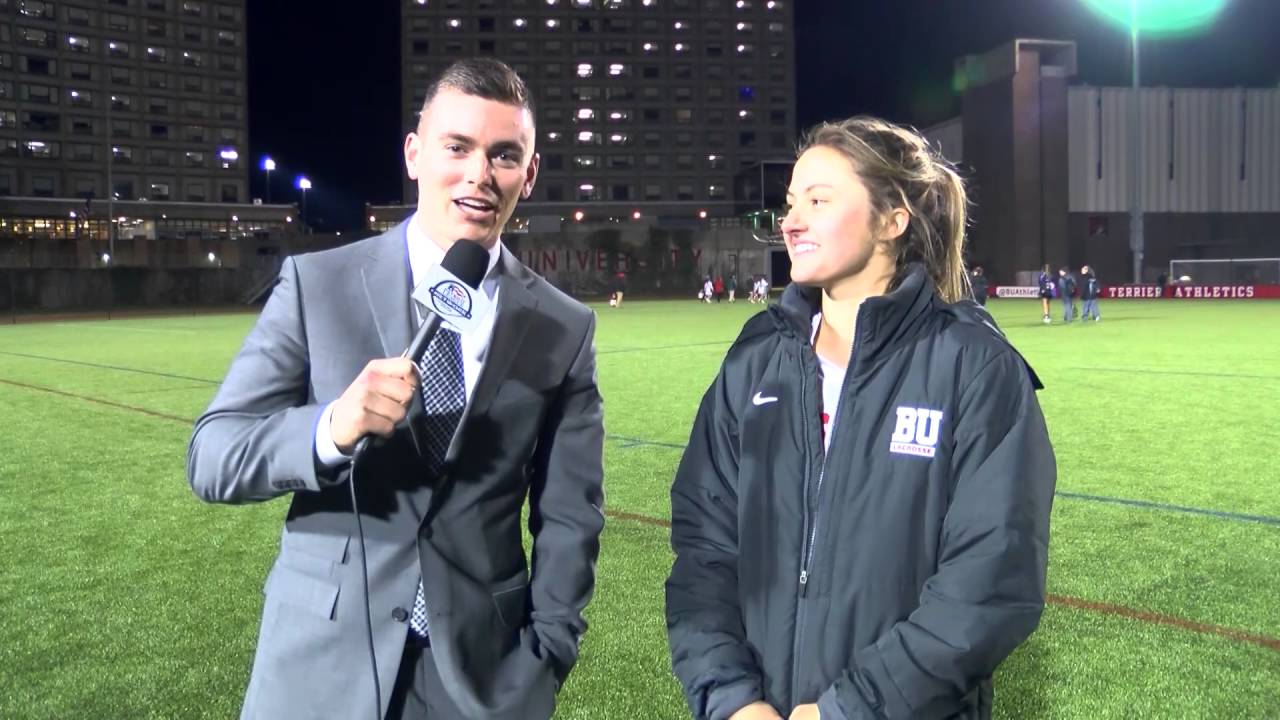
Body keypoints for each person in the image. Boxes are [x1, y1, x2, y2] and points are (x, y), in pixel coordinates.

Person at [187, 58, 605, 720]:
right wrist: (331, 430)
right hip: (319, 664)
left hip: (477, 678)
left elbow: (571, 518)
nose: (478, 175)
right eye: (457, 147)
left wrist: (545, 659)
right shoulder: (315, 285)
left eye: (503, 155)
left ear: (528, 174)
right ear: (414, 154)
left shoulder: (563, 325)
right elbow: (213, 455)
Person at [666, 116, 1055, 720]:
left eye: (819, 201)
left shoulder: (974, 366)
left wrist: (846, 711)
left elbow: (991, 580)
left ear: (892, 220)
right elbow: (704, 550)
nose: (791, 222)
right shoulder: (756, 357)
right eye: (791, 203)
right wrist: (732, 699)